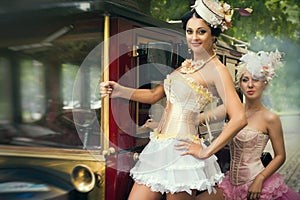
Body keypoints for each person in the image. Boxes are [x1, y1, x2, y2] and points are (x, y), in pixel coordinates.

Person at [100, 0, 247, 199]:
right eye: (189, 31)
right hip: (159, 147)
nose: (194, 37)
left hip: (183, 152)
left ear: (213, 35)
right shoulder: (187, 64)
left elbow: (239, 117)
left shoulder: (217, 70)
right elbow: (155, 95)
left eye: (201, 32)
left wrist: (205, 152)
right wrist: (120, 91)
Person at [182, 50, 300, 200]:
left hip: (257, 183)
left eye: (256, 79)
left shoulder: (270, 118)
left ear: (265, 83)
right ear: (240, 85)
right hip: (230, 183)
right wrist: (161, 124)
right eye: (245, 80)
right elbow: (196, 119)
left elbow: (280, 156)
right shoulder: (231, 110)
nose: (250, 85)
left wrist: (260, 178)